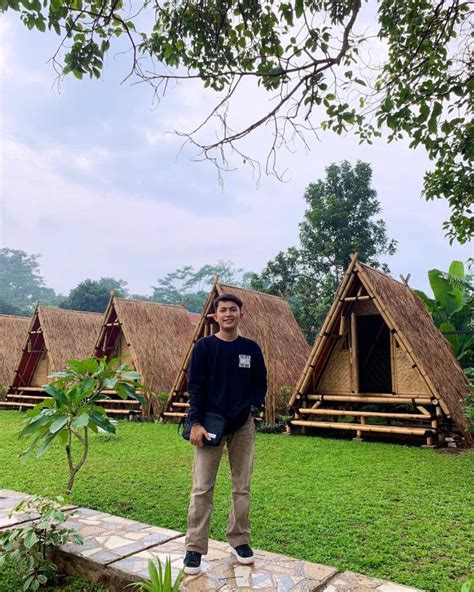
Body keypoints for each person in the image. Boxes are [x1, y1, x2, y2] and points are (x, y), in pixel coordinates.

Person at [183, 293, 267, 575]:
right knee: (202, 487)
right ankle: (194, 548)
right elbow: (195, 387)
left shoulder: (251, 349)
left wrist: (253, 406)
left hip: (243, 425)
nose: (228, 314)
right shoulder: (204, 347)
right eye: (223, 310)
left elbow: (260, 382)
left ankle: (239, 540)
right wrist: (195, 423)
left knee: (242, 486)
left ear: (240, 314)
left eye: (233, 309)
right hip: (210, 426)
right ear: (215, 316)